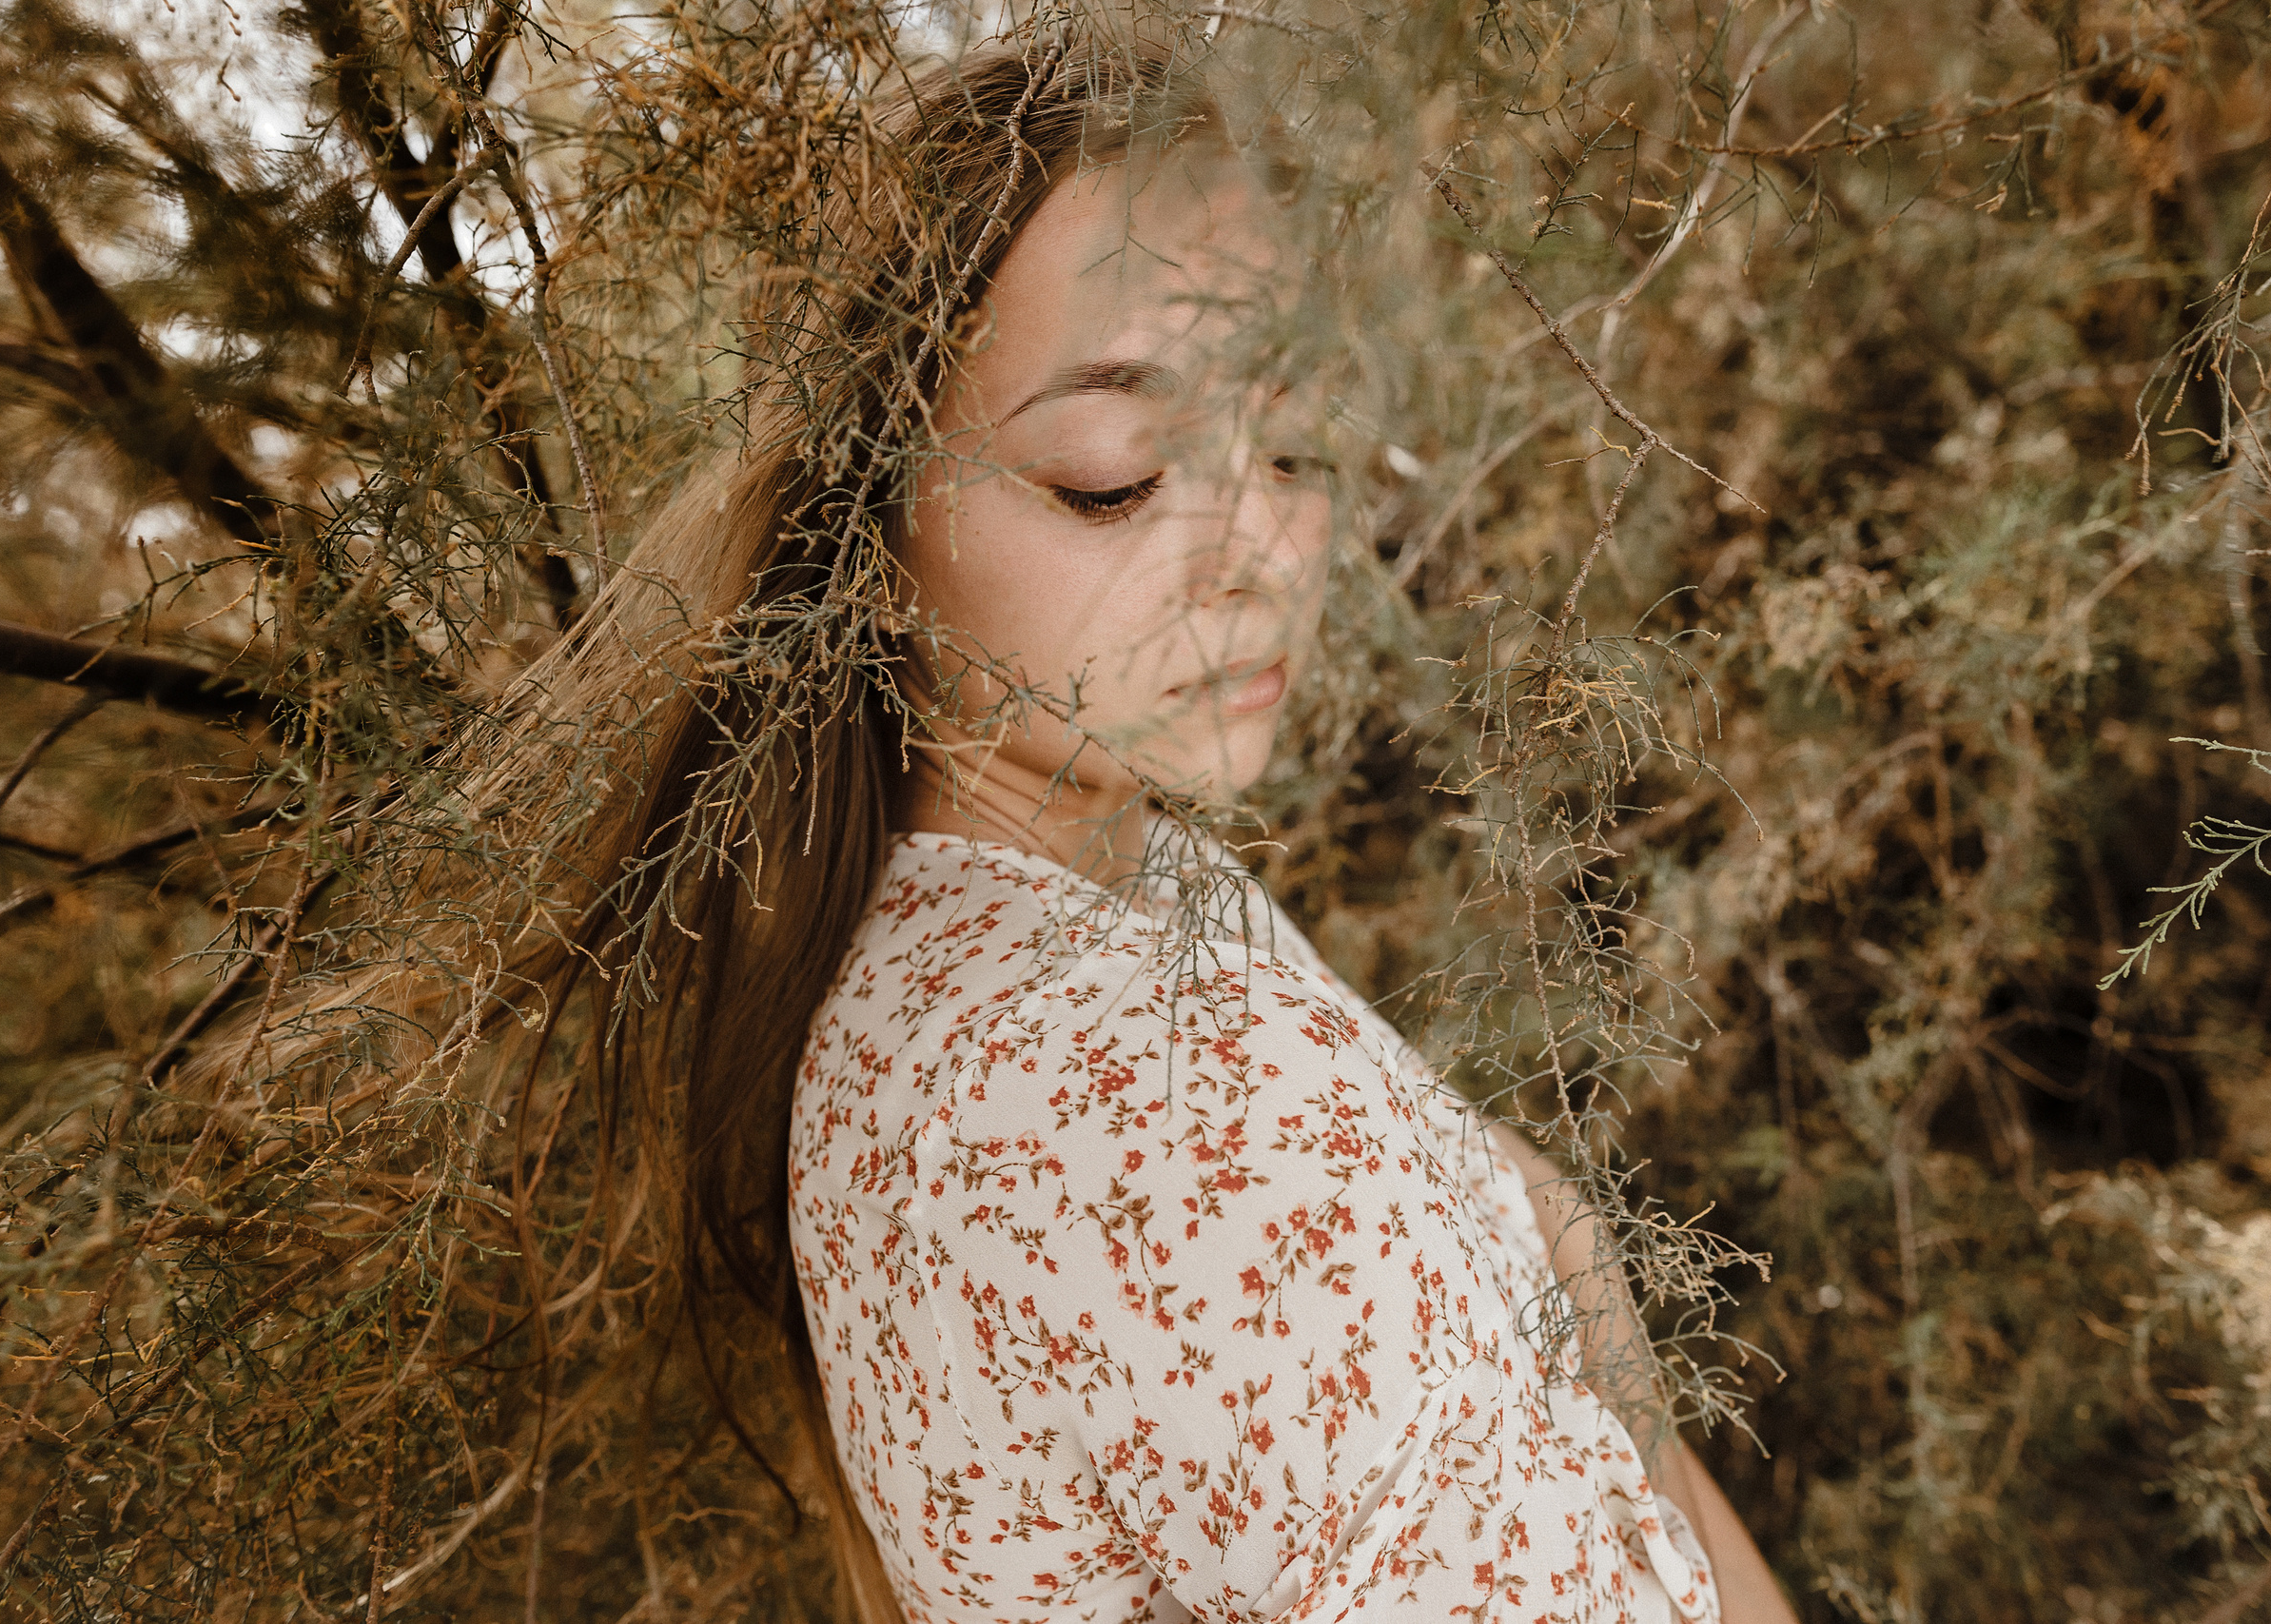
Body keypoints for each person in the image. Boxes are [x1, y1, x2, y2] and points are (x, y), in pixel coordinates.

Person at [768, 35, 1802, 1624]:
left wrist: (1545, 1233)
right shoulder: (1161, 1093)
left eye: (1300, 440)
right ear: (864, 521)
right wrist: (1579, 1286)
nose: (1261, 545)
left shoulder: (1004, 932)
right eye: (1112, 476)